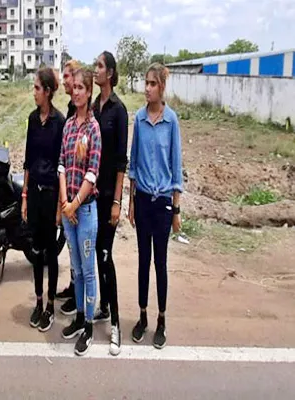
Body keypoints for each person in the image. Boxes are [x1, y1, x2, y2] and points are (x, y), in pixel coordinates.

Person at [128, 63, 183, 350]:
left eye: (152, 83)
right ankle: (142, 316)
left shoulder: (171, 121)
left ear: (161, 87)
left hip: (162, 204)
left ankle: (161, 319)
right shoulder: (138, 118)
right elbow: (133, 163)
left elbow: (176, 168)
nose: (146, 88)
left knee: (160, 262)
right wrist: (130, 203)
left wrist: (176, 210)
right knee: (142, 263)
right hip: (142, 201)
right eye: (145, 83)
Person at [58, 68, 102, 356]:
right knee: (75, 268)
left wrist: (75, 204)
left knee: (88, 270)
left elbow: (92, 172)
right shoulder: (69, 126)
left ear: (89, 92)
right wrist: (64, 202)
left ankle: (88, 324)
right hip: (69, 211)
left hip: (84, 211)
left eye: (81, 88)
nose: (75, 92)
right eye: (73, 87)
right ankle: (77, 318)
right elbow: (62, 164)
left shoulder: (93, 129)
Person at [21, 67, 65, 332]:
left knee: (50, 251)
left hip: (51, 196)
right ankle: (38, 301)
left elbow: (61, 165)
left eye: (37, 88)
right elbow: (27, 160)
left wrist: (61, 204)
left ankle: (50, 305)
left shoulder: (60, 122)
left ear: (48, 91)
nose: (34, 92)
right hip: (35, 194)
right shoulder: (32, 119)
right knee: (35, 251)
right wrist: (25, 195)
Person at [91, 51, 128, 356]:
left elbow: (120, 164)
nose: (96, 70)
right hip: (91, 196)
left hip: (108, 197)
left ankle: (115, 323)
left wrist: (117, 201)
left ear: (111, 73)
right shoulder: (93, 108)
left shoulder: (119, 111)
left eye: (100, 66)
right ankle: (102, 306)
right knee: (95, 255)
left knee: (105, 255)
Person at [57, 59, 81, 317]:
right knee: (72, 246)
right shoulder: (69, 108)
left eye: (66, 76)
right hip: (68, 186)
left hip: (79, 190)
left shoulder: (82, 113)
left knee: (79, 247)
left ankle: (80, 295)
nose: (64, 81)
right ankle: (74, 287)